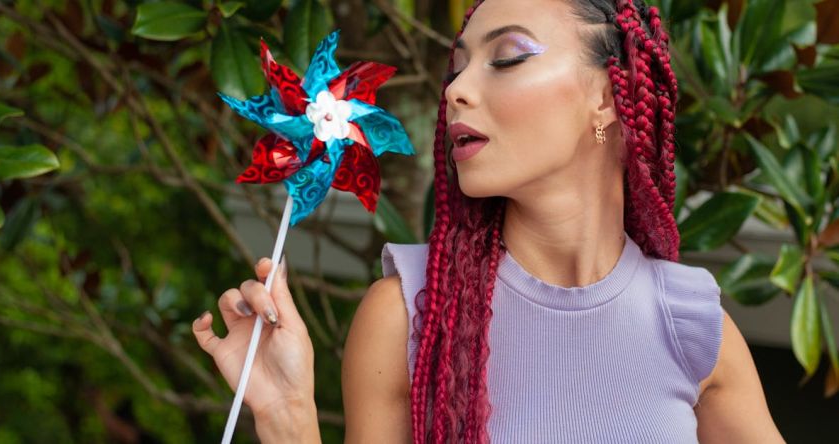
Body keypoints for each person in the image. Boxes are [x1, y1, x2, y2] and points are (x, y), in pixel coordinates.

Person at [193, 0, 786, 442]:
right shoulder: (408, 316)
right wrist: (286, 417)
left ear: (605, 97)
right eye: (458, 66)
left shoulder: (691, 325)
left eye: (506, 58)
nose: (456, 90)